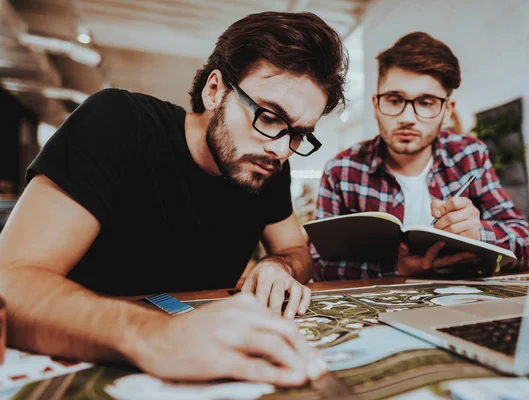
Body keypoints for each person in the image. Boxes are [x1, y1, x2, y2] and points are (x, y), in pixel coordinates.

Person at [0, 11, 347, 385]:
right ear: (214, 90)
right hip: (81, 361)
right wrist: (158, 336)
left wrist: (279, 267)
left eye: (298, 133)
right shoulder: (118, 122)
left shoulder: (266, 166)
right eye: (269, 116)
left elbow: (296, 249)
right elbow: (10, 282)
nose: (281, 149)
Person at [312, 32, 529, 280]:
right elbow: (318, 265)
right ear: (376, 105)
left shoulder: (470, 155)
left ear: (447, 110)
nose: (408, 118)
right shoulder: (341, 170)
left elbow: (526, 243)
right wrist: (397, 268)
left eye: (427, 102)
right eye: (395, 100)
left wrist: (479, 233)